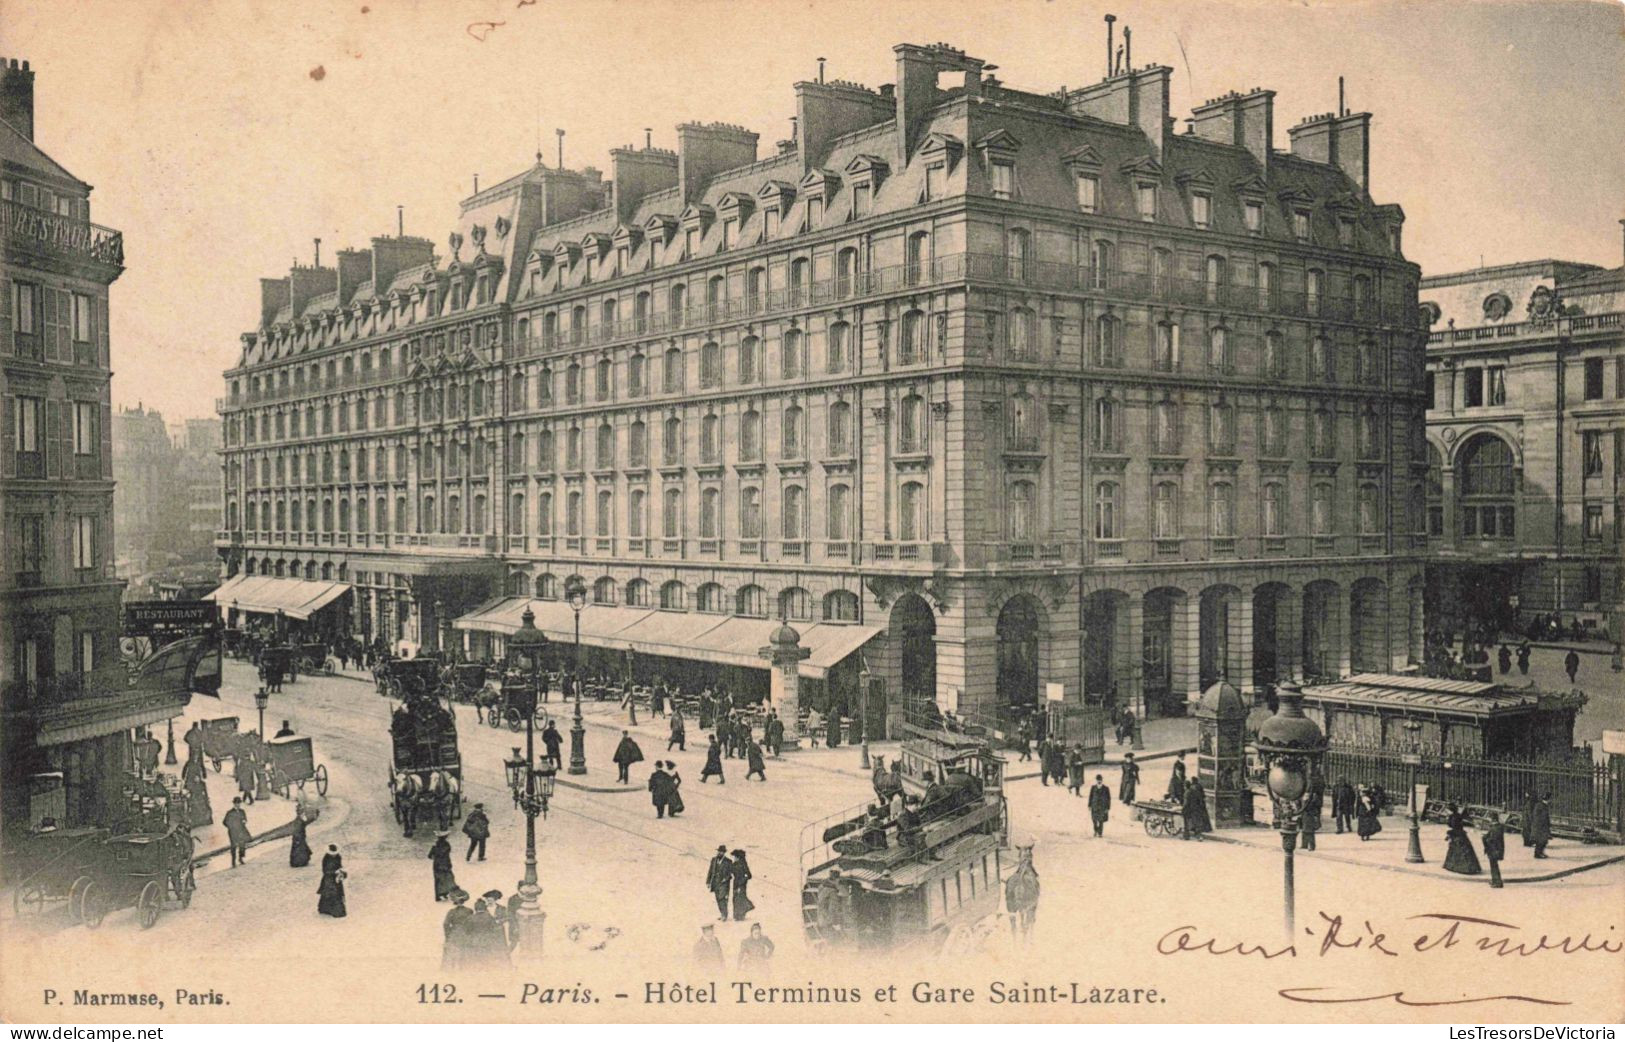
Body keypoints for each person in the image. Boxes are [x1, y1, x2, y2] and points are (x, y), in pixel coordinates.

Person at [1443, 802, 1483, 875]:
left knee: (1458, 851)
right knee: (1461, 850)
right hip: (1460, 835)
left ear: (1450, 810)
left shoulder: (1453, 817)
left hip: (1458, 835)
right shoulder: (1455, 815)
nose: (1445, 811)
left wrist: (1449, 834)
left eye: (1447, 810)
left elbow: (1455, 828)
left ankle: (1461, 868)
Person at [441, 889, 473, 970]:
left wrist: (448, 935)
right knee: (465, 954)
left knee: (452, 955)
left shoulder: (451, 911)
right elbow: (472, 923)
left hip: (454, 934)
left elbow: (446, 924)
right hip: (466, 933)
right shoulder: (469, 911)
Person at [317, 845, 346, 918]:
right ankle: (331, 910)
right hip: (328, 880)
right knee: (331, 894)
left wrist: (341, 872)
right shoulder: (326, 859)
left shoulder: (338, 856)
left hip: (336, 879)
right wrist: (334, 872)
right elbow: (325, 871)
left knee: (334, 894)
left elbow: (340, 866)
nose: (334, 855)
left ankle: (327, 909)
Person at [428, 830, 458, 900]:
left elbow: (429, 856)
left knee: (438, 880)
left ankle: (437, 896)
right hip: (446, 864)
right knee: (447, 878)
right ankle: (445, 893)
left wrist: (435, 857)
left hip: (437, 865)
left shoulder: (435, 847)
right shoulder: (447, 846)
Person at [705, 846, 732, 920]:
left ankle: (724, 915)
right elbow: (710, 871)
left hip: (723, 884)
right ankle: (722, 913)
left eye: (721, 852)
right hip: (715, 883)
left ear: (724, 853)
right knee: (717, 899)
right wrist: (708, 881)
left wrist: (725, 879)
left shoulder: (728, 861)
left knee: (722, 898)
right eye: (718, 851)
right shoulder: (714, 860)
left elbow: (730, 874)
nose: (719, 853)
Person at [1181, 776, 1211, 841]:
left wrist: (1182, 809)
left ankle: (1186, 836)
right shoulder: (1194, 791)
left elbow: (1186, 803)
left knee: (1186, 823)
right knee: (1197, 823)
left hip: (1190, 810)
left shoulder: (1186, 793)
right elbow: (1200, 798)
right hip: (1196, 809)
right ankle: (1199, 836)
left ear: (1185, 786)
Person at [224, 797, 251, 867]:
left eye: (239, 803)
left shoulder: (242, 811)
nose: (238, 805)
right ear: (234, 804)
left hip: (241, 830)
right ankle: (233, 862)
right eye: (236, 803)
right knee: (233, 846)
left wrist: (244, 821)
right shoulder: (230, 813)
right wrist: (230, 827)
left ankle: (240, 858)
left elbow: (245, 819)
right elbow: (224, 822)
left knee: (242, 845)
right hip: (233, 832)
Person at [1482, 811, 1507, 888]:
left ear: (1492, 819)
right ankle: (1495, 880)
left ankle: (1497, 882)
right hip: (1495, 850)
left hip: (1494, 850)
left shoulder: (1495, 828)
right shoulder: (1497, 827)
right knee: (1493, 866)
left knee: (1494, 866)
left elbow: (1493, 839)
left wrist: (1486, 839)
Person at [730, 848, 755, 921]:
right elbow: (731, 871)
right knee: (735, 899)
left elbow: (749, 875)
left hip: (742, 884)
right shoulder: (734, 864)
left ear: (738, 857)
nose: (734, 858)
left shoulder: (743, 864)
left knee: (740, 899)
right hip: (736, 884)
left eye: (735, 856)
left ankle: (740, 915)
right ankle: (737, 916)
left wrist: (742, 881)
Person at [1527, 792, 1552, 859]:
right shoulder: (1541, 806)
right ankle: (1538, 854)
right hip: (1540, 827)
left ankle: (1540, 853)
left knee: (1543, 841)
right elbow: (1541, 817)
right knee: (1540, 841)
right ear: (1548, 799)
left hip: (1541, 827)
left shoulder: (1542, 805)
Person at [1300, 779, 1322, 851]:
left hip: (1310, 814)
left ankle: (1312, 846)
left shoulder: (1314, 796)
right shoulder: (1304, 796)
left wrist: (1308, 800)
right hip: (1305, 814)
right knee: (1304, 830)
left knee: (1309, 831)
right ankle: (1304, 844)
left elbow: (1316, 805)